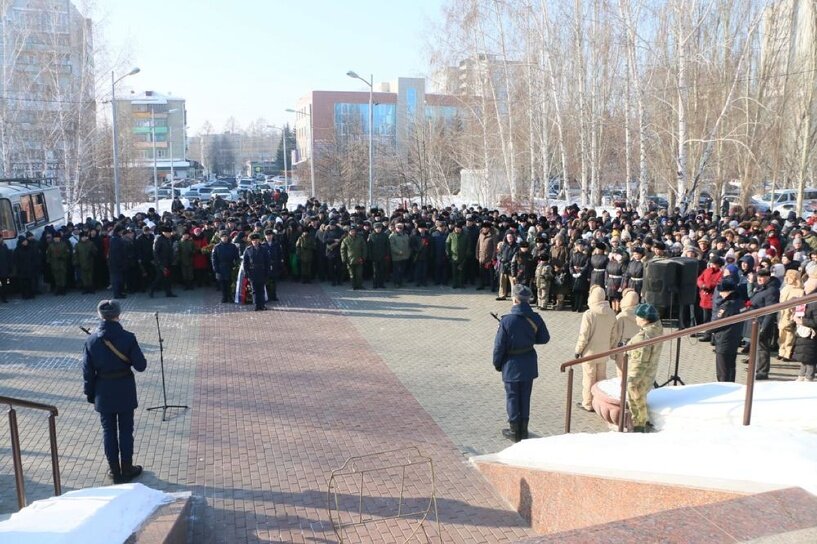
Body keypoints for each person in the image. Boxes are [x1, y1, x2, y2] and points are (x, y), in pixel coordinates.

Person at [83, 300, 147, 483]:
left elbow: (87, 371)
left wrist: (89, 393)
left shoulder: (91, 340)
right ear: (118, 315)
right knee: (126, 430)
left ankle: (114, 470)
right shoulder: (128, 338)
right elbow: (141, 366)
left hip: (103, 390)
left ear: (100, 315)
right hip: (125, 388)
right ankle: (127, 468)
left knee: (108, 431)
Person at [492, 284, 549, 442]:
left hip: (511, 364)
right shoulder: (536, 317)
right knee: (525, 396)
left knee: (512, 397)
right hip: (529, 361)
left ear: (515, 299)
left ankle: (514, 430)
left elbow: (499, 347)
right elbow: (544, 338)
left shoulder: (507, 320)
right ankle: (523, 429)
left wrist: (497, 364)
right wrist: (528, 338)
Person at [575, 285, 618, 412]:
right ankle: (600, 403)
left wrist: (578, 350)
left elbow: (584, 335)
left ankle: (588, 403)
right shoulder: (611, 313)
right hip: (604, 352)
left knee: (588, 379)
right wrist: (611, 348)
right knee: (601, 379)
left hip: (590, 353)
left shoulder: (589, 314)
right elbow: (614, 335)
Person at [626, 303, 664, 432]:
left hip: (641, 377)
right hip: (650, 373)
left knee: (635, 396)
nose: (635, 318)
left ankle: (639, 425)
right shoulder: (657, 328)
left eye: (637, 316)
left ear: (645, 319)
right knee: (641, 397)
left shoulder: (643, 338)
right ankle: (643, 420)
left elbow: (639, 364)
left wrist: (632, 382)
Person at [746, 268, 780, 380]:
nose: (760, 279)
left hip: (762, 323)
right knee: (756, 346)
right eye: (758, 277)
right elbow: (753, 298)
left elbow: (770, 311)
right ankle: (755, 366)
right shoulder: (761, 287)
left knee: (762, 348)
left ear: (768, 277)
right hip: (755, 321)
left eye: (762, 277)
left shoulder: (771, 290)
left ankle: (762, 371)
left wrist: (763, 328)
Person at [710, 278, 744, 382]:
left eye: (722, 291)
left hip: (724, 339)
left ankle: (723, 389)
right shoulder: (739, 301)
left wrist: (709, 329)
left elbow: (716, 323)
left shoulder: (727, 305)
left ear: (728, 292)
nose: (720, 294)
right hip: (734, 338)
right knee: (731, 367)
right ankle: (731, 386)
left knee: (722, 370)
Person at [792, 271, 817, 381]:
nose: (805, 286)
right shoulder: (806, 297)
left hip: (810, 334)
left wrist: (802, 321)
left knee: (810, 358)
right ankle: (801, 376)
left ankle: (808, 378)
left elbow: (815, 321)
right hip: (803, 333)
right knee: (803, 357)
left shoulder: (814, 301)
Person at [777, 269, 804, 362]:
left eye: (790, 277)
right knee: (781, 333)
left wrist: (796, 316)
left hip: (791, 315)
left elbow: (800, 305)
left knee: (789, 335)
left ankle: (787, 353)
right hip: (782, 314)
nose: (788, 278)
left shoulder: (800, 291)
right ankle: (781, 351)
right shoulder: (785, 288)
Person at [612, 288, 640, 376]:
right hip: (637, 347)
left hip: (623, 348)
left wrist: (613, 352)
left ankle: (623, 389)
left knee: (621, 374)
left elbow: (617, 335)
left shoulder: (621, 317)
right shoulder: (641, 315)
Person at [243, 232, 271, 311]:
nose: (255, 241)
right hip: (252, 272)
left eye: (256, 240)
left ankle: (262, 305)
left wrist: (267, 272)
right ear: (251, 241)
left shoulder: (264, 249)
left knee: (261, 289)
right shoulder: (248, 250)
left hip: (262, 271)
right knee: (254, 290)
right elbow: (245, 263)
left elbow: (267, 262)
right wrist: (247, 273)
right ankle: (256, 305)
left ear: (259, 240)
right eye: (253, 240)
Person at [211, 231, 239, 303]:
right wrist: (216, 268)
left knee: (229, 283)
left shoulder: (232, 246)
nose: (225, 238)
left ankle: (230, 297)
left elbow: (237, 257)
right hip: (221, 267)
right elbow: (214, 259)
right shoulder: (217, 247)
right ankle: (224, 297)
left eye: (226, 236)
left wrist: (236, 266)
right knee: (222, 283)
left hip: (230, 266)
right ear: (220, 238)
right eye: (223, 237)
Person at [151, 226, 177, 298]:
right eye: (169, 233)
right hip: (160, 263)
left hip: (168, 262)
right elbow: (155, 252)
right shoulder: (159, 239)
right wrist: (159, 263)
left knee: (168, 279)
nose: (170, 234)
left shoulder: (168, 239)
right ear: (164, 232)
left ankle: (168, 293)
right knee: (159, 278)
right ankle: (151, 291)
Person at [341, 225, 367, 290]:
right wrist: (344, 259)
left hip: (359, 259)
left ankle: (359, 285)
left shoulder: (360, 238)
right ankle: (353, 286)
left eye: (354, 231)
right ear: (349, 232)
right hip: (350, 259)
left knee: (359, 274)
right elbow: (342, 250)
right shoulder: (345, 240)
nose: (353, 232)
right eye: (351, 231)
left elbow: (364, 248)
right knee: (352, 274)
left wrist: (363, 257)